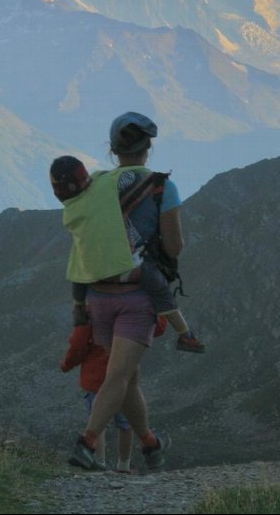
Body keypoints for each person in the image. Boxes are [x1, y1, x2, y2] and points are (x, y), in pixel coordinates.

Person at [57, 111, 188, 472]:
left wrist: (78, 302)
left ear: (114, 150)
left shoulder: (96, 185)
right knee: (118, 376)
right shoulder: (163, 187)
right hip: (137, 298)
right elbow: (175, 247)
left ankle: (150, 442)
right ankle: (87, 442)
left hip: (98, 296)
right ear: (148, 149)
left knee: (127, 376)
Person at [50, 155, 205, 353]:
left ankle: (79, 307)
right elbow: (129, 180)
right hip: (122, 262)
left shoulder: (70, 211)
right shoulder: (104, 187)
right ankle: (185, 334)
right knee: (157, 284)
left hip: (92, 270)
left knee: (78, 268)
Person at [60, 307, 168, 473]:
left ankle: (98, 463)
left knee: (98, 423)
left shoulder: (92, 309)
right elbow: (158, 328)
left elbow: (78, 343)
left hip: (95, 378)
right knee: (126, 425)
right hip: (124, 379)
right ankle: (124, 465)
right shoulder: (134, 307)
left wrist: (68, 364)